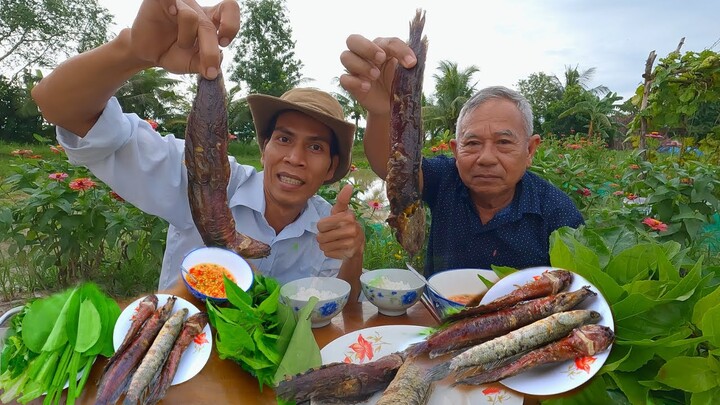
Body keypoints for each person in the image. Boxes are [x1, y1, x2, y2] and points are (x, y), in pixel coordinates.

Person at [31, 0, 365, 299]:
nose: (295, 158)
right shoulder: (196, 177)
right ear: (264, 150)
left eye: (316, 146)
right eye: (284, 139)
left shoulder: (329, 226)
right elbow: (61, 108)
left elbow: (342, 312)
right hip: (185, 355)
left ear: (332, 167)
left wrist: (353, 254)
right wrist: (134, 49)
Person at [339, 34, 584, 276]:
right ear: (456, 151)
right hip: (438, 314)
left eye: (504, 142)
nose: (486, 157)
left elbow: (576, 289)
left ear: (530, 149)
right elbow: (394, 171)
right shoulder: (446, 179)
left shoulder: (557, 212)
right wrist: (383, 111)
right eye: (473, 143)